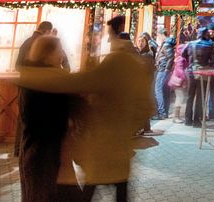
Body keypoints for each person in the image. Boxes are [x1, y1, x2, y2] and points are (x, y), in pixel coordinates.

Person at [17, 15, 153, 202]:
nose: (62, 55)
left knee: (85, 191)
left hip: (50, 155)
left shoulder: (41, 81)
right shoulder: (52, 81)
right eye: (59, 51)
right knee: (106, 190)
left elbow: (82, 89)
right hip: (54, 156)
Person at [18, 36, 72, 202]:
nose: (62, 55)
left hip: (35, 149)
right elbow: (52, 118)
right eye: (58, 51)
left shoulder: (33, 77)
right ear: (46, 55)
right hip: (45, 151)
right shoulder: (48, 81)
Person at [14, 21, 54, 156]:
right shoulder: (42, 44)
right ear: (47, 31)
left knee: (24, 118)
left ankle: (19, 149)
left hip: (25, 85)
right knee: (34, 121)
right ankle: (30, 152)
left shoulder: (27, 42)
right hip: (38, 87)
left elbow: (17, 65)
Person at [183, 27, 214, 126]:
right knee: (201, 96)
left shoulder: (190, 44)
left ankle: (187, 119)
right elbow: (213, 60)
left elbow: (182, 54)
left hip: (191, 71)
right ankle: (197, 120)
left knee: (190, 96)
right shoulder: (210, 45)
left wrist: (191, 61)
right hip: (203, 72)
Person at [153, 35, 176, 119]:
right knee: (165, 91)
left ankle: (161, 112)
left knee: (158, 90)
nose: (158, 37)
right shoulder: (167, 45)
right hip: (164, 70)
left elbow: (171, 57)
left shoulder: (166, 45)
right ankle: (164, 112)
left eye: (159, 35)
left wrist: (167, 69)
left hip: (162, 70)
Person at [167, 40, 189, 123]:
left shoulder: (179, 58)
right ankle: (176, 117)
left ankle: (177, 116)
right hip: (178, 81)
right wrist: (184, 79)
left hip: (177, 80)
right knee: (180, 98)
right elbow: (180, 70)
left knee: (180, 97)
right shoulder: (180, 59)